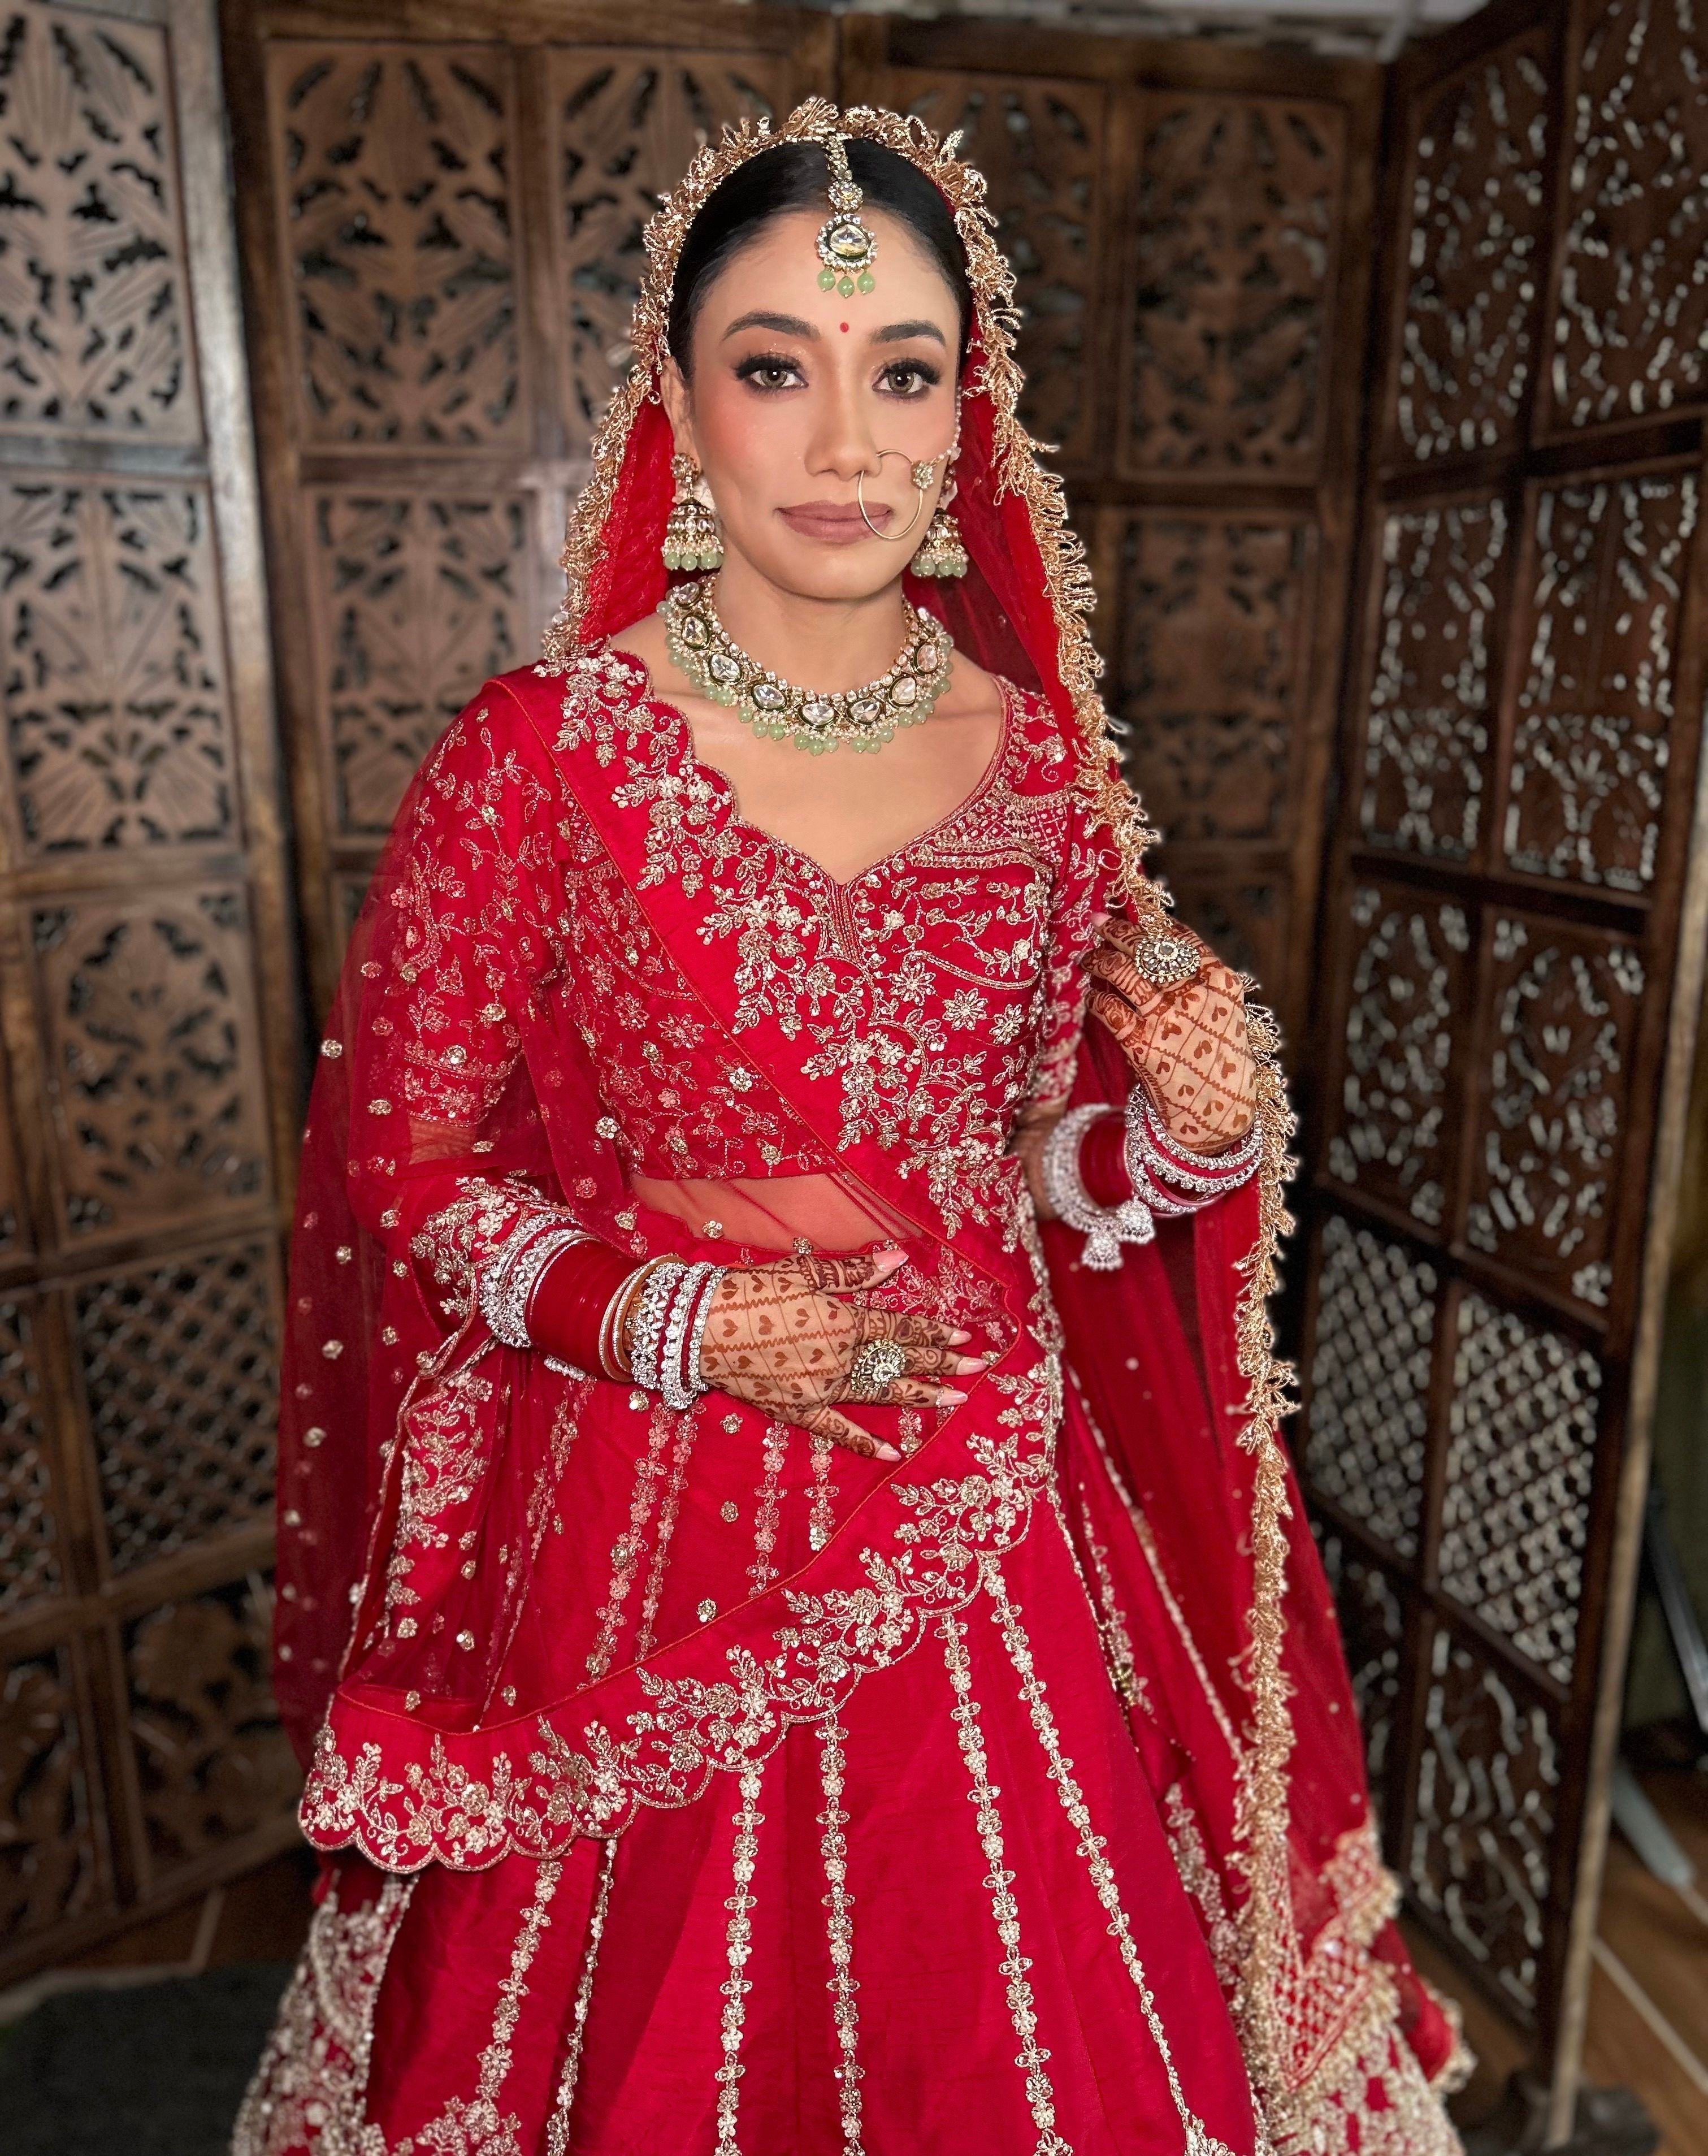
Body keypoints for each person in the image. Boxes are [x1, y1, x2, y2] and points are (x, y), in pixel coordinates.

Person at [236, 102, 1467, 2156]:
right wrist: (672, 1322)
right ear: (679, 405)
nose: (845, 443)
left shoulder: (1041, 768)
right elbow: (413, 1164)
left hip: (987, 1507)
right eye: (774, 368)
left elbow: (1032, 1164)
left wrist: (1175, 1139)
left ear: (964, 413)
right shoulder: (542, 755)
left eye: (903, 374)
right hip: (648, 1507)